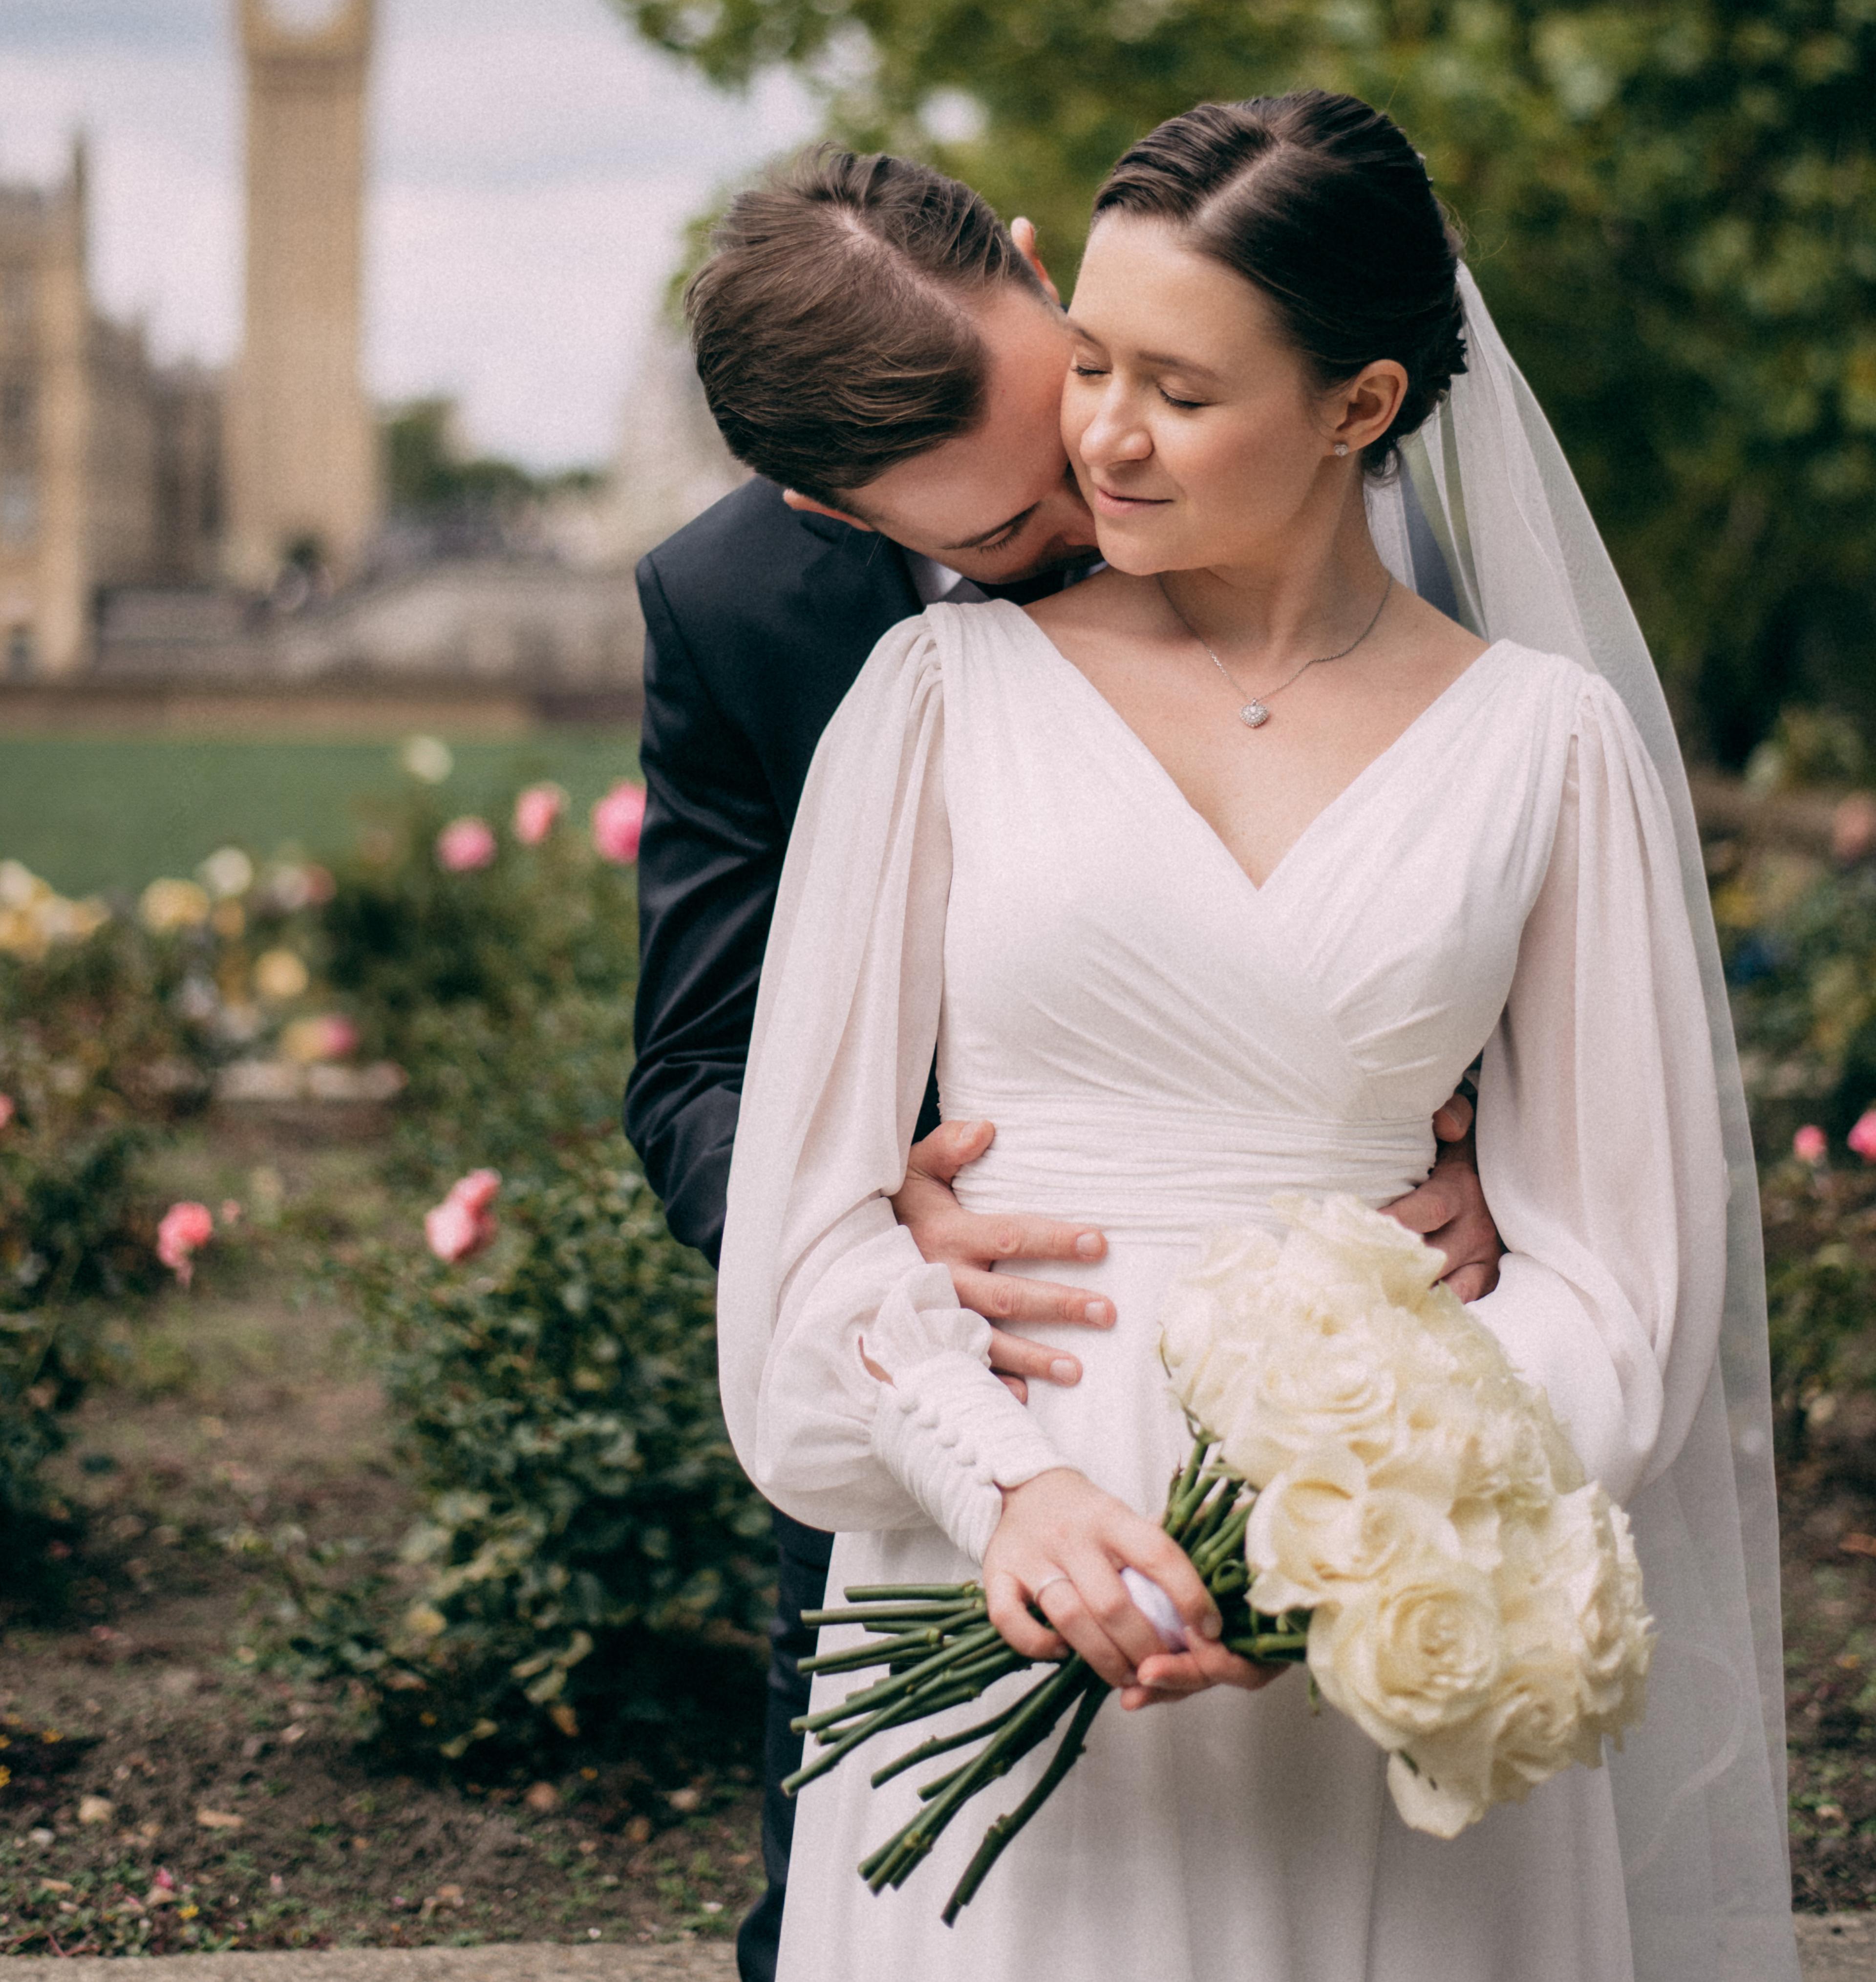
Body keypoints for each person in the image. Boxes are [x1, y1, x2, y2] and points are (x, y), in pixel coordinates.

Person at [716, 95, 1794, 1981]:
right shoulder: (934, 697)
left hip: (1381, 1636)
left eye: (1180, 390)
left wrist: (1367, 1541)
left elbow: (1621, 1281)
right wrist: (1010, 1485)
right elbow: (803, 1235)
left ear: (1360, 406)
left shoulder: (1547, 746)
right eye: (1096, 365)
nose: (1101, 432)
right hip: (1014, 1565)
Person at [624, 146, 1501, 1982]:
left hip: (1364, 1397)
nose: (1106, 498)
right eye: (1014, 534)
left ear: (1039, 275)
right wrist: (863, 1201)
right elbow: (695, 1065)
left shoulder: (1301, 414)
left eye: (1085, 410)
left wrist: (1499, 1141)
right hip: (945, 1404)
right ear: (829, 507)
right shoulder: (738, 608)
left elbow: (1474, 872)